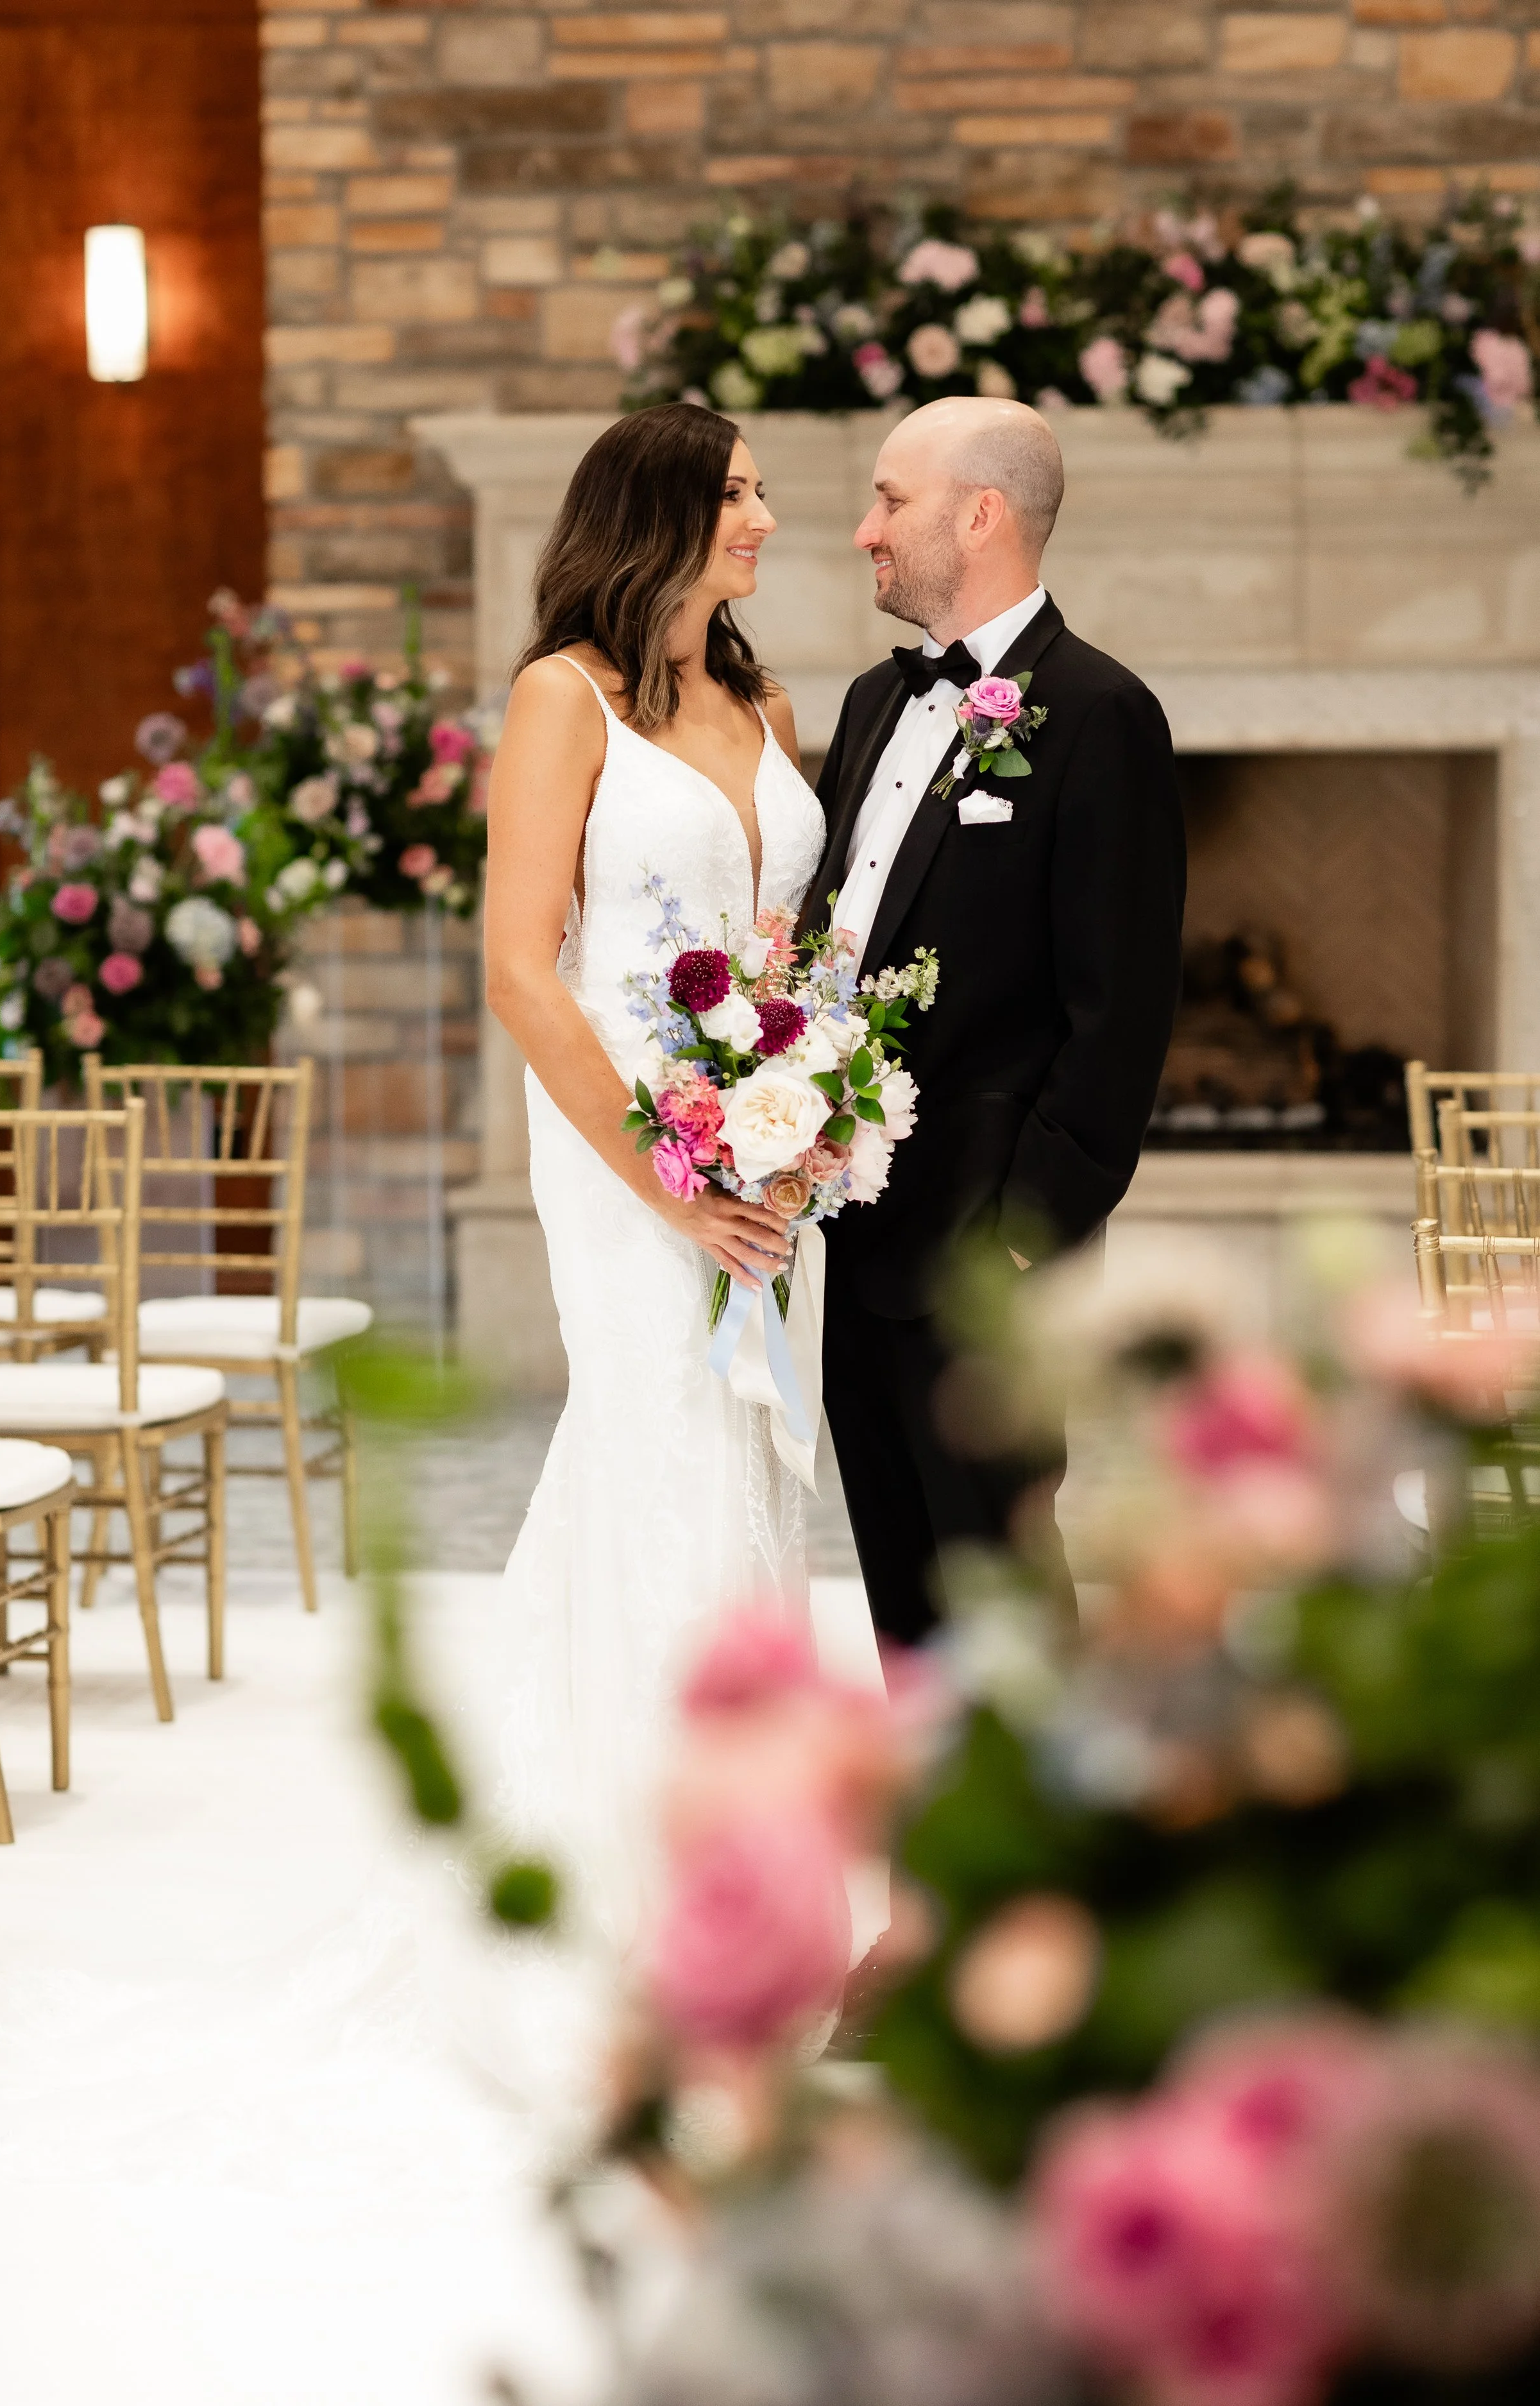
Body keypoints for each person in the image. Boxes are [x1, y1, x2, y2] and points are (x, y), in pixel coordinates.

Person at [480, 402, 860, 1952]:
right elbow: (519, 970)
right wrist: (664, 1172)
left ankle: (747, 1869)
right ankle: (651, 1911)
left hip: (763, 1152)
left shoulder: (761, 701)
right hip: (623, 1148)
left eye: (761, 493)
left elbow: (789, 956)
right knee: (659, 1444)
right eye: (736, 496)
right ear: (656, 519)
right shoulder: (561, 699)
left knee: (751, 1472)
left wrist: (806, 1107)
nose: (766, 520)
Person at [802, 397, 1187, 1647]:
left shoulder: (1097, 715)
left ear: (980, 515)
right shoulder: (869, 704)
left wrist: (1017, 1245)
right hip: (855, 1237)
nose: (864, 531)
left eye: (888, 500)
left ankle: (1047, 1839)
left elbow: (1117, 1015)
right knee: (901, 1595)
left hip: (984, 1266)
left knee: (1002, 1599)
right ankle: (933, 1838)